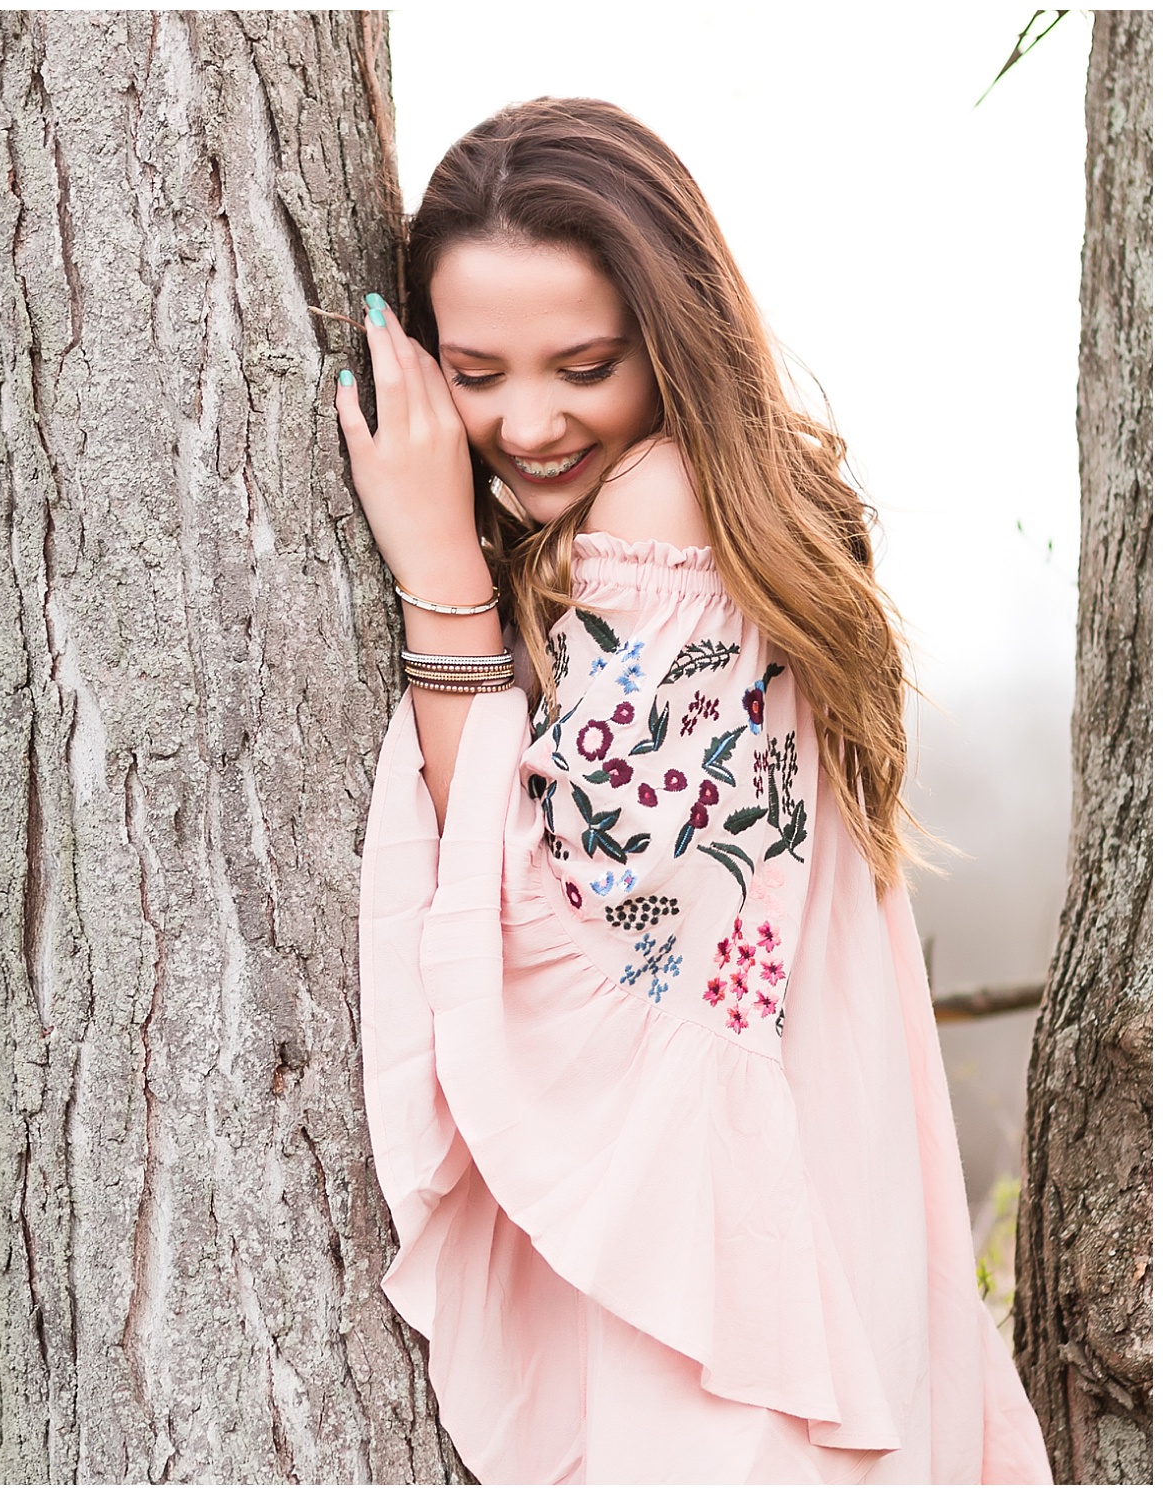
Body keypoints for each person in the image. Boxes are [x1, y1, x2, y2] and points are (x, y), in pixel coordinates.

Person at [337, 97, 1052, 1485]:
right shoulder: (729, 507)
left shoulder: (663, 507)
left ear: (669, 340)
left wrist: (440, 576)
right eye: (474, 373)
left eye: (584, 365)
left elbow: (569, 936)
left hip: (735, 1305)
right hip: (808, 1233)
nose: (528, 423)